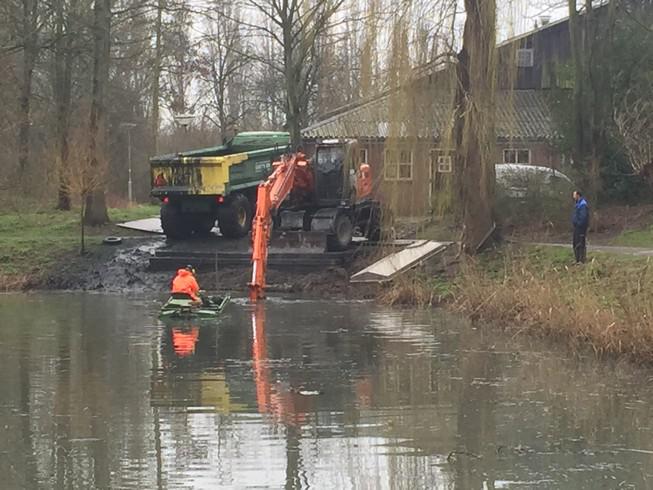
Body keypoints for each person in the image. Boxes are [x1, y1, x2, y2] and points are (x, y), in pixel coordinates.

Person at [571, 190, 589, 264]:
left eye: (574, 195)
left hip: (581, 228)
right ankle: (577, 259)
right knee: (575, 243)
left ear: (578, 195)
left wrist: (579, 224)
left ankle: (582, 260)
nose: (573, 196)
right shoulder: (577, 203)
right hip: (576, 227)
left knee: (580, 243)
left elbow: (583, 217)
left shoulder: (583, 204)